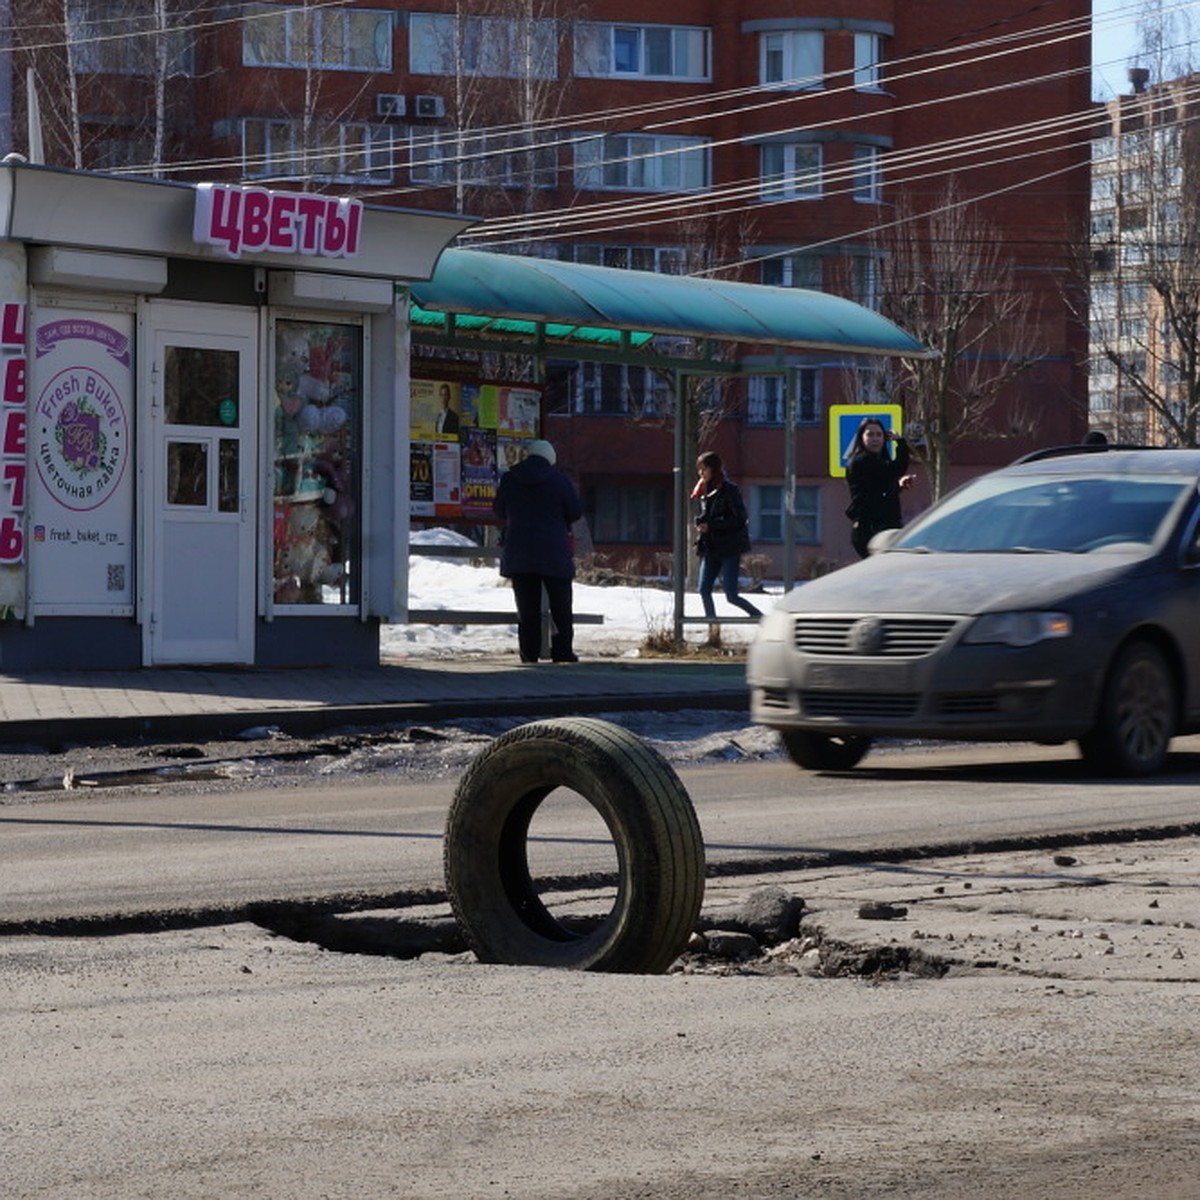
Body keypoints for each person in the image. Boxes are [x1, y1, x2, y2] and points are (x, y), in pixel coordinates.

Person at [493, 439, 583, 663]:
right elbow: (575, 511)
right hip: (554, 551)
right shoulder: (560, 480)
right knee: (561, 605)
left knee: (527, 608)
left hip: (520, 551)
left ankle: (529, 653)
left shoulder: (509, 479)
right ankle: (562, 651)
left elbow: (499, 509)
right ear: (550, 458)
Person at [693, 451, 762, 621]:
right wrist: (701, 523)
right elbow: (708, 515)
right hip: (711, 547)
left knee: (731, 595)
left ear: (714, 469)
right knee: (703, 590)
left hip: (729, 547)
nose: (701, 474)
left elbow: (740, 518)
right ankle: (713, 631)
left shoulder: (729, 489)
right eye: (699, 470)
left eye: (705, 469)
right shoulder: (702, 490)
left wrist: (712, 525)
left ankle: (761, 619)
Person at [844, 418, 917, 558]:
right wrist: (900, 443)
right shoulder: (862, 460)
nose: (875, 439)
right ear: (861, 437)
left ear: (884, 438)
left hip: (883, 528)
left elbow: (878, 490)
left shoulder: (878, 460)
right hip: (871, 531)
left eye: (879, 435)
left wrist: (898, 486)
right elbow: (897, 469)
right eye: (870, 435)